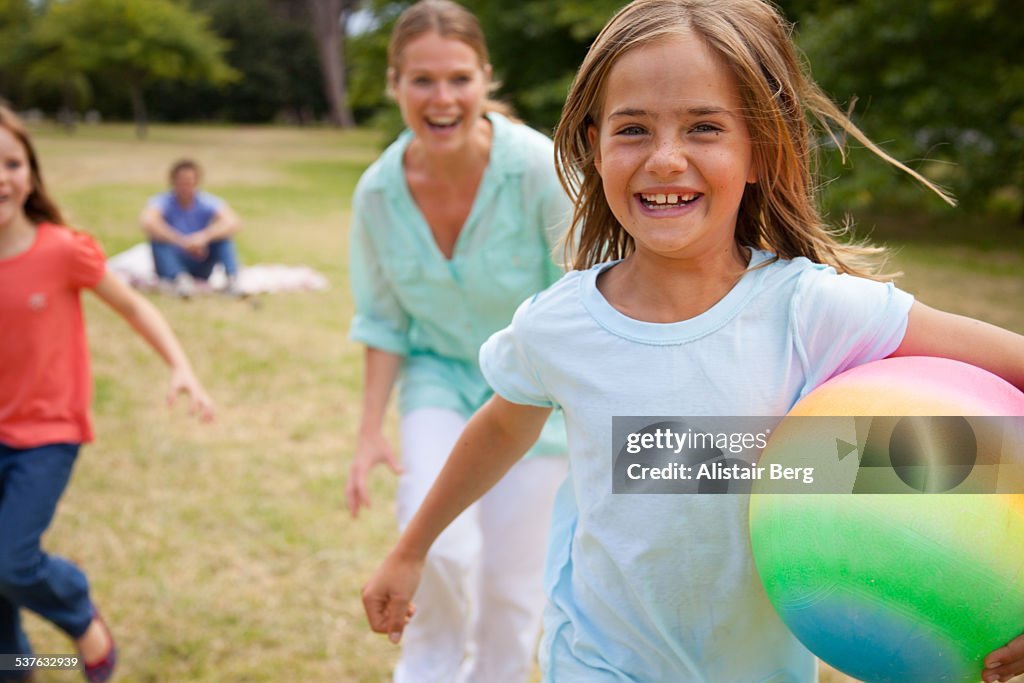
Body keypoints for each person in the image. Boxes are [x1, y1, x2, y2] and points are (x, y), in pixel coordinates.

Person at [360, 1, 1024, 682]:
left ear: (761, 150)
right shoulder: (559, 325)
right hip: (597, 661)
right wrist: (411, 550)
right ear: (594, 146)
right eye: (633, 128)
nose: (666, 158)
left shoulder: (811, 311)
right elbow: (501, 427)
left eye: (704, 126)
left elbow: (991, 421)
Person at [344, 1, 572, 681]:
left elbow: (587, 292)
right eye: (422, 80)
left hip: (536, 397)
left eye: (458, 79)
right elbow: (384, 323)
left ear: (484, 78)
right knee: (435, 545)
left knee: (510, 586)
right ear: (395, 84)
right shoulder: (378, 195)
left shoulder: (538, 168)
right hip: (440, 380)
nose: (441, 99)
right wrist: (366, 432)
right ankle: (427, 670)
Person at [0, 105, 215, 683]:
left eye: (12, 162)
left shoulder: (62, 249)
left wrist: (180, 366)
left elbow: (133, 304)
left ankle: (82, 620)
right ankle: (19, 669)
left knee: (11, 559)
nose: (1, 176)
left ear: (31, 171)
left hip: (46, 434)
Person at [139, 159, 242, 298]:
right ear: (173, 181)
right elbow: (147, 221)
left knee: (223, 239)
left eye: (189, 181)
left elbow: (233, 222)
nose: (185, 186)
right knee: (158, 240)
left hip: (201, 259)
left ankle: (232, 280)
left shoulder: (206, 201)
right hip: (173, 259)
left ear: (196, 182)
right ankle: (179, 281)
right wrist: (181, 241)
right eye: (181, 181)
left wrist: (203, 237)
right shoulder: (163, 201)